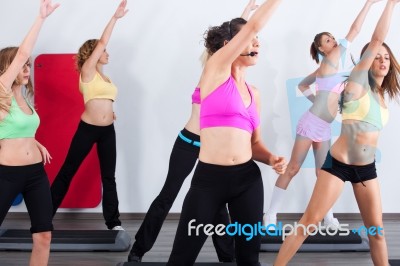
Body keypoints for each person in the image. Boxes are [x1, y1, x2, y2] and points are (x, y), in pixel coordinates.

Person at [127, 0, 261, 262]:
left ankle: (227, 256)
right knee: (168, 195)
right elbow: (232, 42)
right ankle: (137, 251)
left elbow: (237, 41)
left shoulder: (237, 84)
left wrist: (245, 16)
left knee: (218, 205)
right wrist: (245, 20)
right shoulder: (213, 72)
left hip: (216, 152)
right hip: (190, 142)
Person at [274, 0, 400, 265]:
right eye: (377, 56)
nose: (382, 60)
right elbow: (377, 39)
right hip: (339, 165)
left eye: (387, 57)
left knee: (377, 232)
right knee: (308, 222)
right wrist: (390, 4)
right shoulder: (356, 83)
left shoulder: (382, 96)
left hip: (366, 169)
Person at [167, 0, 285, 265]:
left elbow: (255, 144)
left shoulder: (255, 94)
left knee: (249, 258)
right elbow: (253, 24)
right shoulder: (216, 73)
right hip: (209, 181)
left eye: (258, 40)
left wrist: (272, 159)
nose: (256, 44)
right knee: (181, 258)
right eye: (251, 39)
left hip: (247, 180)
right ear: (227, 47)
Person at [264, 0, 383, 229]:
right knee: (293, 168)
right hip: (311, 123)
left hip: (325, 128)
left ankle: (327, 217)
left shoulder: (327, 69)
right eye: (328, 40)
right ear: (322, 49)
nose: (334, 41)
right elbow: (355, 30)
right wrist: (369, 3)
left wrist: (319, 100)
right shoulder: (330, 59)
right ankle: (270, 215)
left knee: (324, 174)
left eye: (332, 38)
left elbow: (302, 85)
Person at [50, 0, 128, 230]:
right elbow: (102, 41)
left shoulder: (105, 78)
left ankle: (113, 222)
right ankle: (45, 217)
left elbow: (104, 99)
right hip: (88, 129)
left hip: (107, 131)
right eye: (103, 51)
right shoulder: (87, 72)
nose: (107, 52)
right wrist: (115, 18)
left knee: (109, 177)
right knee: (68, 171)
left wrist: (109, 113)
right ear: (94, 54)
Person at [0, 0, 59, 265]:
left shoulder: (24, 99)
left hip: (36, 173)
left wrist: (35, 143)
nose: (26, 69)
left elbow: (20, 131)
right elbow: (23, 52)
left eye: (27, 67)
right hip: (7, 175)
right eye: (22, 66)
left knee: (44, 235)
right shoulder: (1, 94)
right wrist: (41, 18)